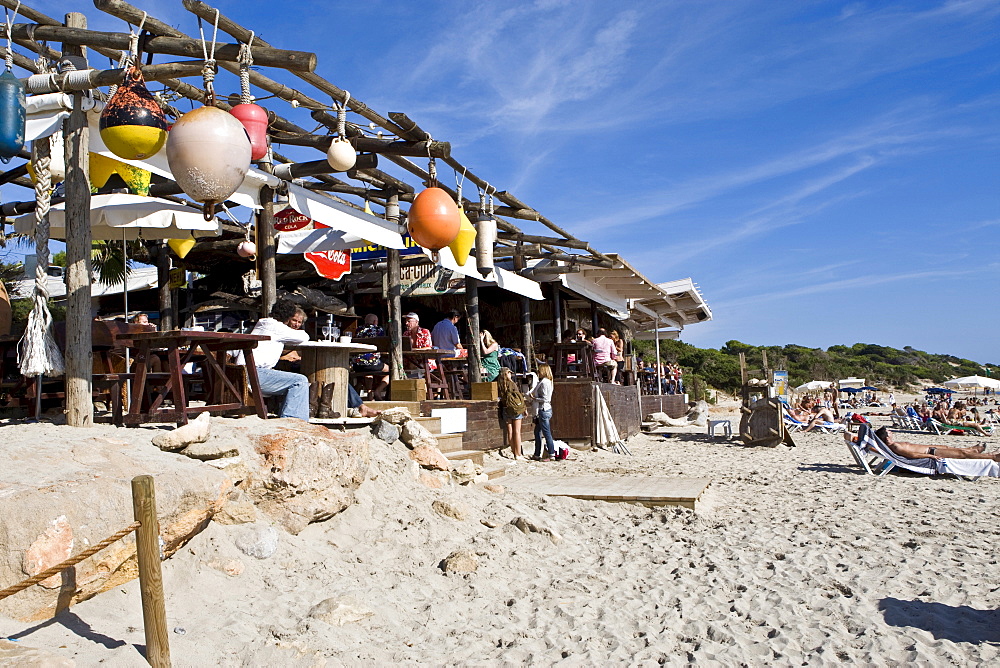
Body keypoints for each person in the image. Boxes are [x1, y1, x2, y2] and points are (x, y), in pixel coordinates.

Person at [243, 300, 311, 421]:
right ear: (289, 318)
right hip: (254, 374)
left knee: (288, 375)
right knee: (300, 381)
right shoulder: (277, 327)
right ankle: (292, 420)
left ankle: (286, 415)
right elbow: (304, 337)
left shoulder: (263, 323)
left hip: (243, 372)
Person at [855, 427, 1000, 462]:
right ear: (886, 437)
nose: (891, 432)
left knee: (957, 449)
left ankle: (974, 449)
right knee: (962, 455)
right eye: (889, 432)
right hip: (931, 453)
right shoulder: (894, 447)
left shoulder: (892, 444)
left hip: (932, 449)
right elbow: (911, 454)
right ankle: (993, 457)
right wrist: (930, 456)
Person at [352, 313, 388, 400]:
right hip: (372, 363)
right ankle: (378, 391)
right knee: (391, 370)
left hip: (357, 364)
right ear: (375, 322)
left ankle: (369, 393)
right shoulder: (379, 329)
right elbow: (383, 344)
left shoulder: (358, 329)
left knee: (368, 372)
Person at [528, 363, 557, 461]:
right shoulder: (548, 381)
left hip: (544, 409)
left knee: (546, 432)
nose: (538, 373)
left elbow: (545, 398)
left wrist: (534, 398)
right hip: (546, 408)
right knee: (537, 432)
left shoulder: (544, 382)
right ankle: (537, 454)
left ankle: (551, 453)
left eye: (539, 371)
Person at [497, 367, 525, 460]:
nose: (510, 374)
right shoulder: (512, 384)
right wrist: (524, 408)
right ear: (507, 373)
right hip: (515, 408)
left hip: (506, 408)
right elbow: (518, 397)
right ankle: (518, 454)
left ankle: (514, 452)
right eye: (509, 373)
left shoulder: (499, 385)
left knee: (510, 431)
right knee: (517, 431)